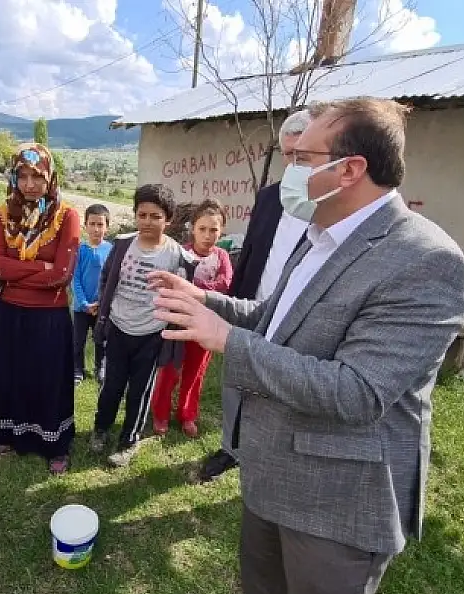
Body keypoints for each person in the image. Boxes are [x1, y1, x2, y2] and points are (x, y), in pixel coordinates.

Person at [150, 97, 464, 594]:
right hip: (272, 470)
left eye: (302, 159)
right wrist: (205, 300)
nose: (289, 173)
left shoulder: (427, 261)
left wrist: (228, 340)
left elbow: (358, 392)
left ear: (349, 170)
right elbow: (275, 319)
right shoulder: (319, 234)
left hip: (338, 499)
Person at [197, 109, 313, 483]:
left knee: (284, 393)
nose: (294, 165)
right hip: (253, 310)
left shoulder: (331, 207)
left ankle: (273, 458)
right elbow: (249, 256)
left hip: (300, 321)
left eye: (304, 155)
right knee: (237, 384)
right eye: (288, 155)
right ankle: (231, 448)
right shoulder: (270, 198)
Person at [0, 143, 80, 474]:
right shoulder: (3, 214)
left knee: (47, 378)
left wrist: (16, 273)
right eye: (22, 176)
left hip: (49, 317)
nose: (29, 184)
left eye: (37, 176)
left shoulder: (67, 216)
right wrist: (40, 268)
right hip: (8, 313)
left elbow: (62, 275)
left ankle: (55, 445)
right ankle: (8, 435)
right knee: (10, 374)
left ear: (50, 177)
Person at [91, 183, 196, 468]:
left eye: (155, 216)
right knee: (111, 385)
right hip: (118, 328)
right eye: (142, 215)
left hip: (152, 334)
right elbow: (106, 279)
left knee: (139, 390)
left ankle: (129, 440)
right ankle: (101, 429)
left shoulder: (176, 255)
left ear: (168, 219)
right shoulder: (123, 245)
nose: (148, 222)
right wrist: (105, 311)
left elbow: (186, 292)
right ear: (136, 215)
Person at [151, 199, 232, 438]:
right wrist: (205, 291)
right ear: (192, 229)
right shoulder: (181, 253)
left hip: (206, 325)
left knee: (195, 372)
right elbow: (174, 284)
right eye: (202, 229)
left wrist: (193, 287)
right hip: (177, 323)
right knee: (169, 370)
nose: (208, 235)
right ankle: (160, 413)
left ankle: (187, 415)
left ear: (222, 230)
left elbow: (225, 285)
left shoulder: (222, 257)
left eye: (214, 230)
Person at [72, 203, 111, 384]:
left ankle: (100, 368)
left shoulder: (111, 251)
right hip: (82, 308)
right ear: (85, 225)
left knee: (100, 340)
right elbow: (76, 279)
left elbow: (111, 281)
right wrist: (84, 303)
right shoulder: (79, 250)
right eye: (92, 224)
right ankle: (77, 369)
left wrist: (101, 303)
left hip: (101, 307)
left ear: (107, 227)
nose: (96, 229)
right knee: (78, 341)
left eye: (100, 224)